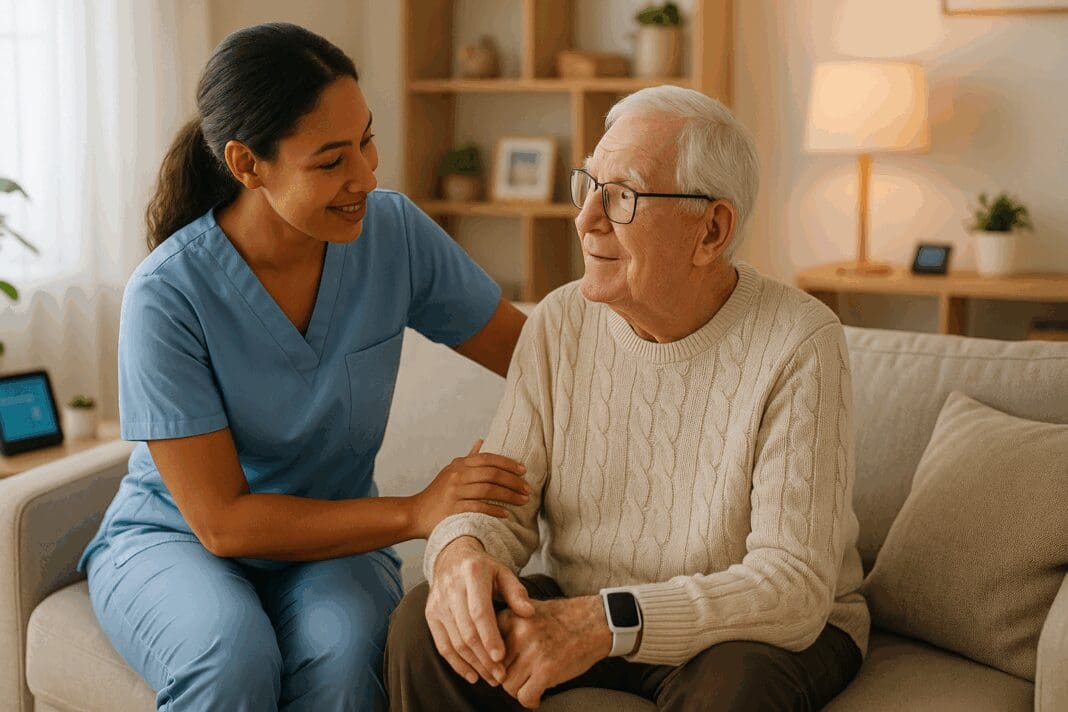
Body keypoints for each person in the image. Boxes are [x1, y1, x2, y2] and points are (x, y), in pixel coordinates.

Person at [77, 23, 530, 712]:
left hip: (333, 545)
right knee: (231, 654)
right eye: (330, 161)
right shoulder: (167, 296)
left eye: (367, 141)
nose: (366, 176)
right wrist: (415, 510)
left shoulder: (394, 235)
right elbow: (222, 523)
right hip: (178, 542)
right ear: (247, 163)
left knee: (347, 659)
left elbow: (537, 360)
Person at [385, 86, 870, 711]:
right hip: (588, 606)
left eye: (622, 196)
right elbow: (499, 501)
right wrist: (460, 554)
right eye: (587, 184)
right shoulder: (559, 323)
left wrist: (604, 623)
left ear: (711, 229)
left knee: (736, 687)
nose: (586, 218)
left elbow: (792, 587)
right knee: (427, 622)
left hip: (749, 629)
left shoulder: (800, 341)